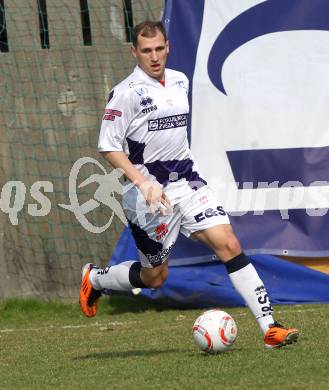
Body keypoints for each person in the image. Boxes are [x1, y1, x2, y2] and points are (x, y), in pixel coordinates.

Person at [79, 20, 299, 349]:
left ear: (167, 47)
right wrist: (142, 182)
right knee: (156, 277)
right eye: (146, 51)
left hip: (190, 184)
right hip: (149, 198)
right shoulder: (125, 94)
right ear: (134, 52)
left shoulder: (180, 81)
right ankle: (95, 278)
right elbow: (108, 147)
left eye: (158, 49)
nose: (154, 57)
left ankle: (271, 328)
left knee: (229, 245)